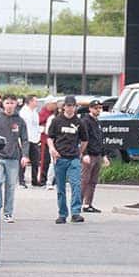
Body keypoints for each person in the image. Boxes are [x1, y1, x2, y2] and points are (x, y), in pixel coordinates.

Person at [0, 93, 28, 223]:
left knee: (10, 186)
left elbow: (25, 139)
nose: (10, 105)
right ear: (3, 104)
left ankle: (8, 213)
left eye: (12, 103)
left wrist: (25, 155)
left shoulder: (20, 121)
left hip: (13, 157)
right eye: (7, 103)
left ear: (16, 104)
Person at [47, 95, 86, 224]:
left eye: (72, 106)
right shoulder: (56, 121)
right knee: (61, 188)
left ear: (75, 107)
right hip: (60, 157)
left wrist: (80, 152)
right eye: (68, 105)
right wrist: (52, 149)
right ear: (64, 107)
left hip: (73, 157)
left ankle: (75, 212)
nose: (70, 108)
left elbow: (85, 140)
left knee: (76, 184)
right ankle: (62, 213)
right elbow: (50, 137)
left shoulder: (79, 122)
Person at [80, 99, 110, 214]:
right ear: (90, 108)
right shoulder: (85, 121)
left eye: (99, 108)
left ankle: (88, 204)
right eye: (96, 108)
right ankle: (78, 204)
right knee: (84, 180)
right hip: (89, 155)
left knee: (93, 181)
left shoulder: (97, 122)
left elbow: (100, 140)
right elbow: (84, 139)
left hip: (97, 154)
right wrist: (85, 154)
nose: (98, 110)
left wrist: (104, 155)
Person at [19, 95, 42, 187]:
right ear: (30, 102)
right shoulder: (23, 112)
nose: (36, 103)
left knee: (35, 161)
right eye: (35, 101)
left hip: (35, 138)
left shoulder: (35, 112)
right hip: (26, 139)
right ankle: (21, 180)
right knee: (24, 160)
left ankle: (34, 179)